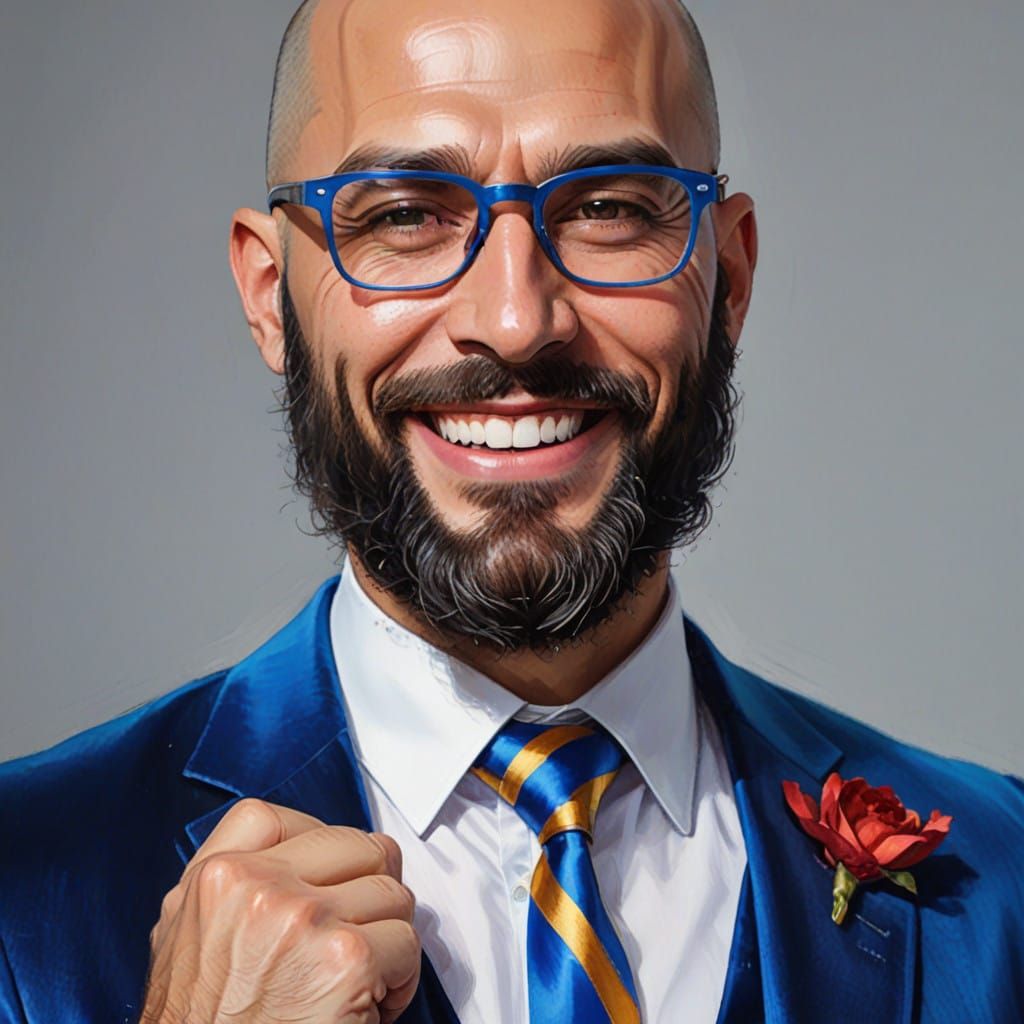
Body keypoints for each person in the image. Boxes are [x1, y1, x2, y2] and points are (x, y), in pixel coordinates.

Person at [0, 0, 1021, 1020]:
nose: (515, 318)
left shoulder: (1001, 879)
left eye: (610, 206)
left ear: (731, 279)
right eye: (403, 213)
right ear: (271, 294)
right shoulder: (23, 887)